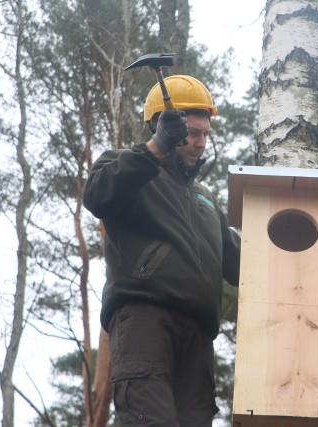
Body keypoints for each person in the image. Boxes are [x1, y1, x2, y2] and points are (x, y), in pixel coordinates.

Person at [83, 75, 241, 427]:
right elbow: (97, 194)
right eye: (193, 133)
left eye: (205, 134)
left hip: (198, 337)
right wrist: (155, 148)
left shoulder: (206, 200)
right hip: (145, 322)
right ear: (163, 127)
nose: (201, 143)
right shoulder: (132, 169)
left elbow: (243, 262)